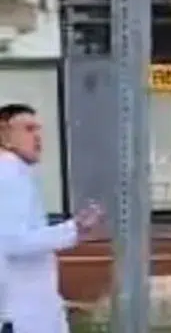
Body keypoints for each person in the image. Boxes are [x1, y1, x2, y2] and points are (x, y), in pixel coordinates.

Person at [0, 104, 101, 333]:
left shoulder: (18, 174)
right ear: (4, 134)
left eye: (38, 129)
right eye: (28, 129)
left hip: (29, 311)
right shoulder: (8, 174)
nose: (37, 137)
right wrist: (74, 229)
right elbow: (14, 241)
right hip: (22, 315)